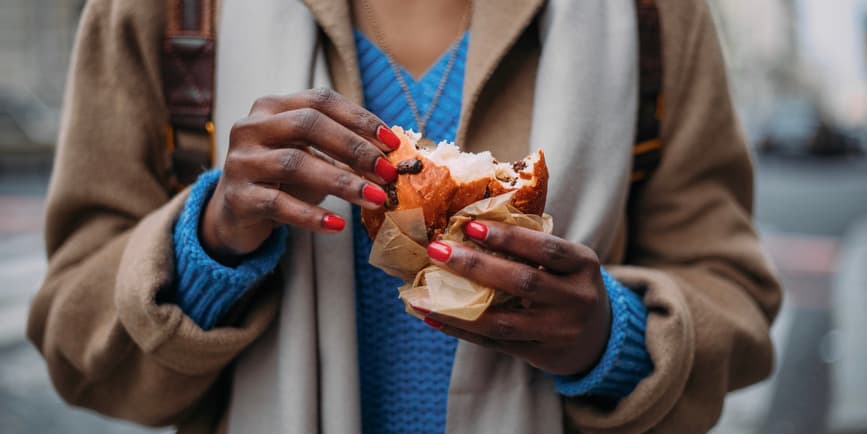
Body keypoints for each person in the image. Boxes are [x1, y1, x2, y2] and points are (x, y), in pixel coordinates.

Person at [27, 0, 782, 433]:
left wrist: (607, 340)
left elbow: (732, 299)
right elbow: (73, 340)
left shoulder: (651, 15)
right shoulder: (171, 13)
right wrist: (209, 241)